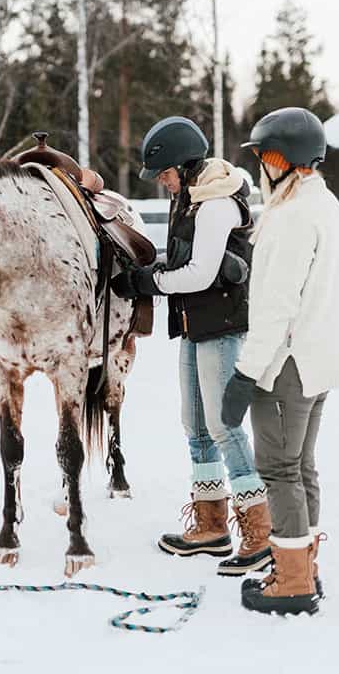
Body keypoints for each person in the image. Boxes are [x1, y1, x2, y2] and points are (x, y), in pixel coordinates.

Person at [222, 107, 339, 615]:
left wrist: (244, 374)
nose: (261, 166)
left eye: (263, 156)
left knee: (279, 468)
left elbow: (276, 307)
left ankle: (291, 583)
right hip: (318, 361)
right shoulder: (323, 203)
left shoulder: (289, 218)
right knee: (301, 467)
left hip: (288, 365)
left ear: (279, 158)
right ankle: (300, 565)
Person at [112, 116, 272, 577]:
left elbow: (200, 273)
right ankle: (211, 524)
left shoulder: (216, 204)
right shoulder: (189, 199)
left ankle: (258, 531)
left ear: (184, 165)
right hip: (194, 323)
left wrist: (148, 280)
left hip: (220, 324)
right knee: (196, 426)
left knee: (224, 427)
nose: (161, 183)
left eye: (163, 173)